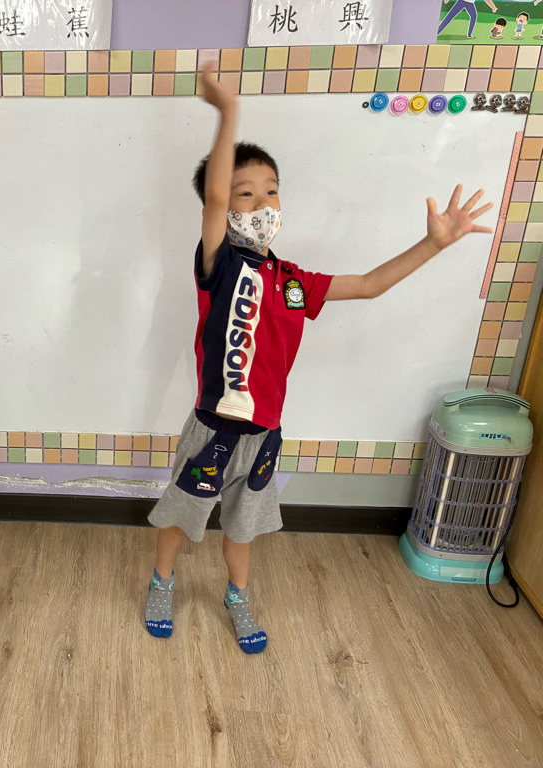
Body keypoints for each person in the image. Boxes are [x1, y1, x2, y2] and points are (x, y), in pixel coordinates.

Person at [143, 64, 494, 653]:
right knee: (181, 516)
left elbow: (370, 285)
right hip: (211, 430)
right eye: (245, 193)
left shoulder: (293, 281)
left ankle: (237, 596)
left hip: (265, 434)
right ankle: (161, 583)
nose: (261, 201)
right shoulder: (219, 264)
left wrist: (433, 243)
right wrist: (229, 114)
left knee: (243, 528)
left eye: (271, 190)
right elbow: (214, 202)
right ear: (222, 205)